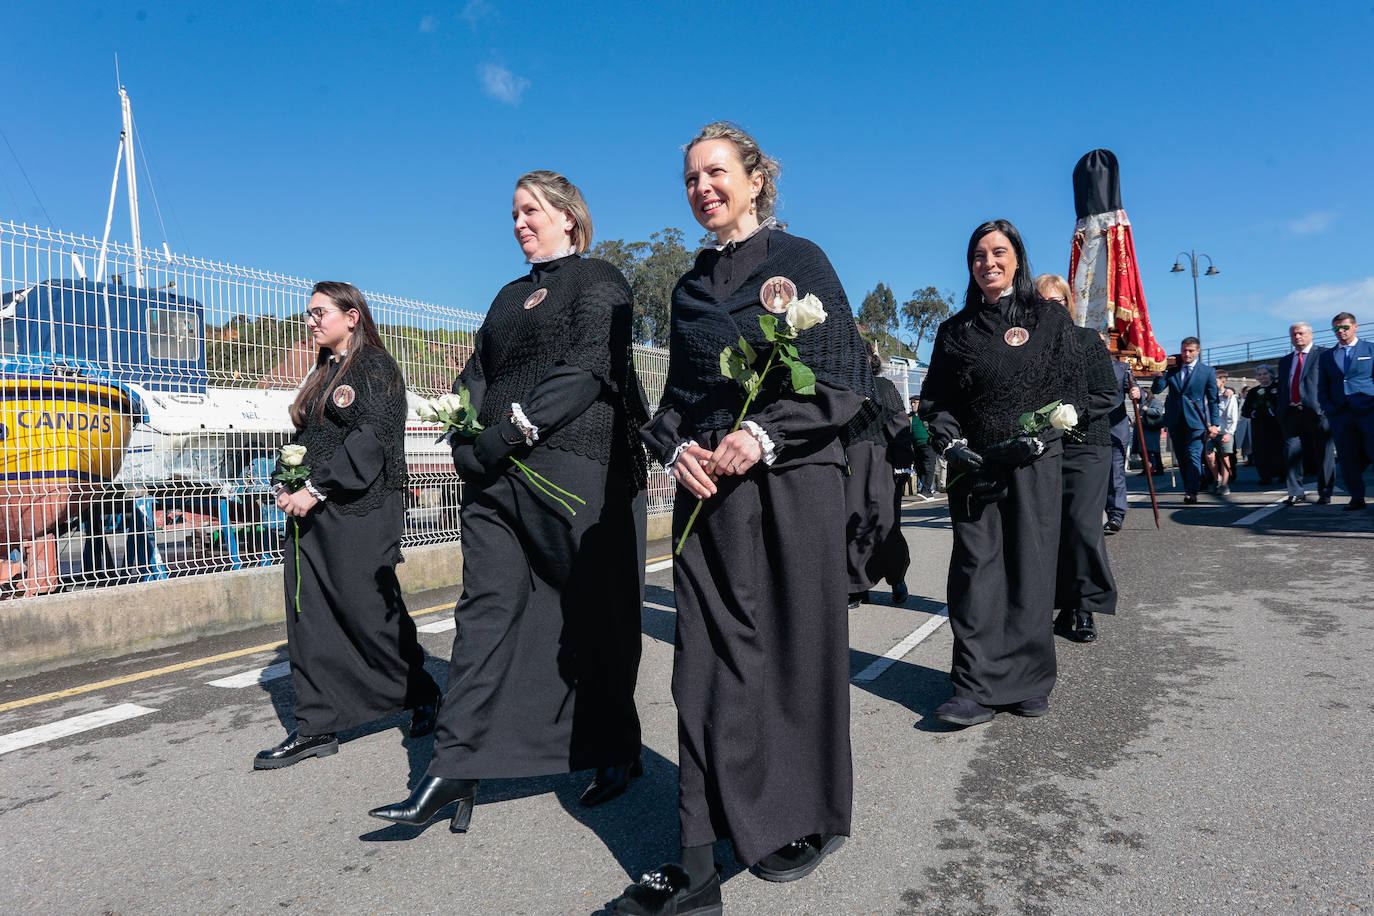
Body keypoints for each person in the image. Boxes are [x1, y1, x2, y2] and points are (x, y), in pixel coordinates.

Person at [616, 122, 875, 915]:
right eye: (690, 178)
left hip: (792, 486)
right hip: (709, 499)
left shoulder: (804, 263)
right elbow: (675, 404)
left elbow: (847, 376)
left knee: (792, 656)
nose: (702, 188)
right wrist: (676, 452)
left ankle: (798, 811)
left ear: (756, 180)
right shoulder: (688, 287)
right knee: (702, 663)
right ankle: (696, 855)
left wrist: (765, 432)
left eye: (716, 173)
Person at [369, 170, 650, 831]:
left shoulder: (600, 279)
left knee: (598, 616)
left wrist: (516, 430)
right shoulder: (503, 298)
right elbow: (477, 375)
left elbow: (588, 369)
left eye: (532, 211)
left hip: (577, 466)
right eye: (514, 213)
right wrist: (466, 437)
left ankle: (617, 745)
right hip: (495, 477)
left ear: (569, 218)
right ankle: (453, 769)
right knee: (483, 617)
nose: (520, 221)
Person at [254, 281, 440, 770]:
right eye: (309, 314)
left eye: (320, 312)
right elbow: (305, 440)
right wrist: (284, 482)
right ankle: (317, 724)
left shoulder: (375, 367)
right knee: (310, 615)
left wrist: (316, 489)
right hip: (312, 509)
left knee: (368, 611)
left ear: (352, 316)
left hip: (362, 507)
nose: (311, 321)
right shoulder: (322, 373)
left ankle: (421, 693)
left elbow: (372, 440)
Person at [918, 221, 1086, 727]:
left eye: (999, 253)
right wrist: (952, 443)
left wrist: (1038, 437)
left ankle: (1029, 681)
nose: (988, 262)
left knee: (1030, 570)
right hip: (975, 468)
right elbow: (934, 403)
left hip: (1034, 465)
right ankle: (973, 687)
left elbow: (1074, 393)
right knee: (976, 574)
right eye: (978, 255)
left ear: (1017, 260)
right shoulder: (955, 330)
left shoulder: (1048, 321)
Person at [1036, 274, 1118, 644]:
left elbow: (1107, 395)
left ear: (1067, 304)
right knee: (1052, 531)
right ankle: (1064, 603)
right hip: (1044, 449)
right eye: (1041, 303)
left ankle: (1085, 608)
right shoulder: (1028, 346)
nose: (1049, 309)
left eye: (1056, 302)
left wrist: (1068, 412)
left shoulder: (1087, 340)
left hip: (1087, 446)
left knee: (1083, 528)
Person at [843, 347, 912, 607]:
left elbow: (900, 426)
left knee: (885, 523)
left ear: (872, 360)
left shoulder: (884, 387)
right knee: (852, 522)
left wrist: (903, 465)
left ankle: (897, 577)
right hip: (850, 464)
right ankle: (857, 586)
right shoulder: (842, 388)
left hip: (884, 461)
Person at [1151, 337, 1219, 503]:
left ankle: (1191, 492)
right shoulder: (1173, 370)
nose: (1186, 354)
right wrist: (1163, 369)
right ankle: (1194, 482)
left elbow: (1212, 400)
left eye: (1190, 351)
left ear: (1197, 351)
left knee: (1193, 455)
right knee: (1182, 458)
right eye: (1184, 350)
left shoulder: (1207, 371)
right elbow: (1156, 389)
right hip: (1175, 421)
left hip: (1196, 422)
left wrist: (1215, 424)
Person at [1318, 312, 1374, 510]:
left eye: (1345, 327)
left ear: (1355, 327)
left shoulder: (1370, 349)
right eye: (1336, 328)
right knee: (1347, 457)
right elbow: (1322, 386)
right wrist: (1329, 406)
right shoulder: (1326, 356)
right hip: (1340, 414)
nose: (1340, 332)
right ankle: (1356, 498)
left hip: (1368, 411)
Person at [1276, 321, 1335, 505]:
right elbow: (1284, 386)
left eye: (1301, 333)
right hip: (1292, 412)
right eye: (1294, 334)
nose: (1297, 337)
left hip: (1317, 412)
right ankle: (1295, 491)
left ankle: (1325, 491)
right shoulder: (1285, 360)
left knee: (1323, 452)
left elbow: (1332, 382)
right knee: (1291, 451)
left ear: (1311, 334)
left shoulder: (1324, 354)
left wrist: (1327, 406)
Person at [1105, 345, 1141, 533]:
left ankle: (1116, 515)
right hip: (1090, 429)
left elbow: (1135, 389)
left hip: (1116, 429)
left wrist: (1138, 393)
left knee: (1114, 473)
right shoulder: (1082, 366)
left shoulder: (1122, 369)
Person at [1241, 364, 1282, 485]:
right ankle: (1265, 476)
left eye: (1265, 374)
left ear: (1271, 374)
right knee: (1260, 452)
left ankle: (1282, 474)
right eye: (1259, 374)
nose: (1262, 376)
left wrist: (1271, 411)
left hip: (1276, 425)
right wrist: (1254, 413)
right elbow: (1245, 410)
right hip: (1259, 426)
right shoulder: (1253, 391)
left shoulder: (1278, 388)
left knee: (1278, 450)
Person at [1205, 378, 1239, 496]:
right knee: (1209, 456)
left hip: (1225, 431)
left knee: (1224, 457)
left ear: (1223, 381)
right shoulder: (1207, 395)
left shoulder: (1229, 396)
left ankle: (1224, 484)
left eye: (1216, 381)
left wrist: (1229, 432)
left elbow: (1233, 415)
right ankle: (1217, 478)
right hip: (1211, 430)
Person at [909, 395, 936, 498]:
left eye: (915, 402)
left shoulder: (928, 414)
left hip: (928, 444)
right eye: (911, 402)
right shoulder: (910, 417)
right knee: (919, 468)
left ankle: (927, 491)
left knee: (928, 467)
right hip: (916, 447)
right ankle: (925, 490)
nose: (912, 405)